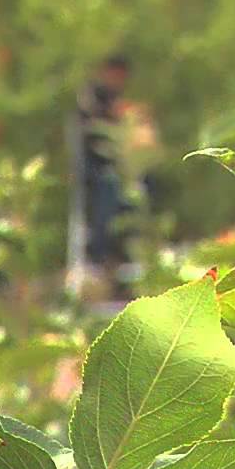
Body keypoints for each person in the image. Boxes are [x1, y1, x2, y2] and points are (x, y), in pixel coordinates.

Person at [66, 55, 155, 303]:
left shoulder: (117, 100)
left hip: (120, 174)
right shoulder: (91, 99)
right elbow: (91, 136)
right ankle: (97, 268)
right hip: (95, 174)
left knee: (132, 208)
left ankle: (124, 267)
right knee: (99, 220)